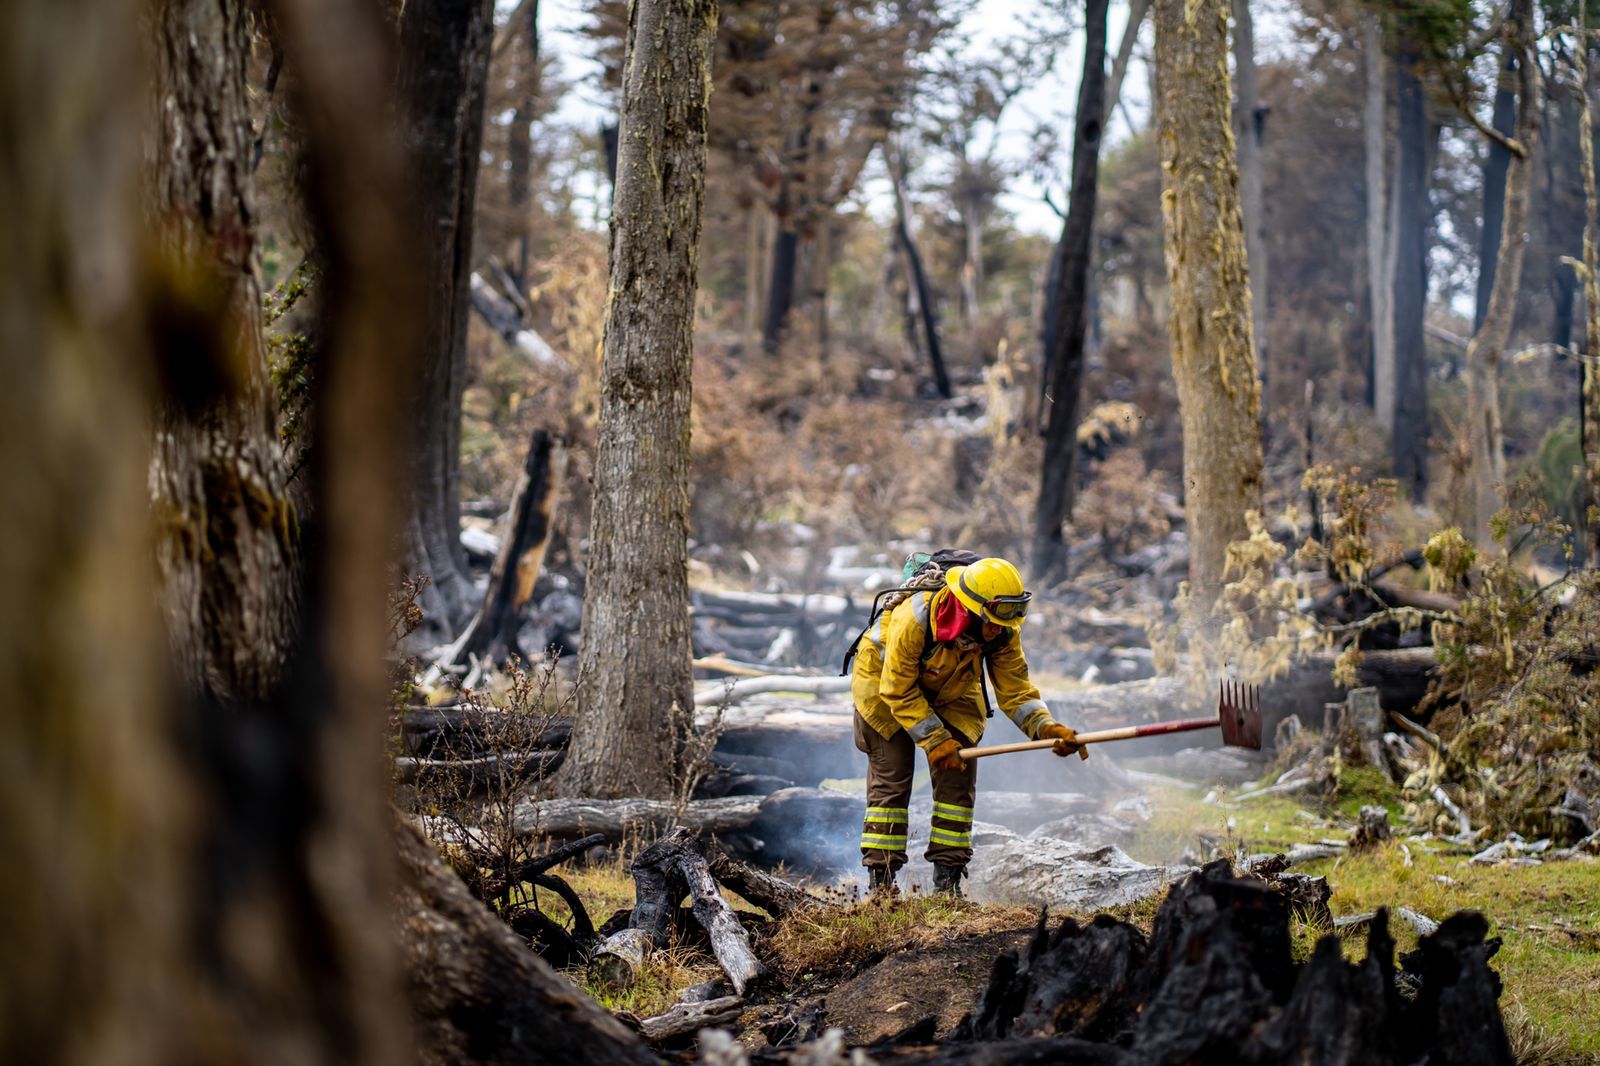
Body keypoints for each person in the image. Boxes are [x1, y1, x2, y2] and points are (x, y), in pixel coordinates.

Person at [850, 556, 1085, 896]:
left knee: (958, 780)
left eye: (1005, 620)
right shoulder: (914, 618)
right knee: (892, 782)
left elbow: (1016, 691)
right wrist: (934, 739)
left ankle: (947, 885)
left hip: (950, 687)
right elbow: (897, 689)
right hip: (884, 690)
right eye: (990, 620)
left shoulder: (1003, 630)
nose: (996, 630)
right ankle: (882, 887)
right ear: (967, 608)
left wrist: (1046, 728)